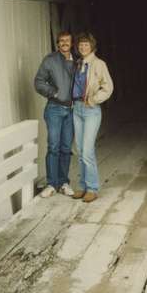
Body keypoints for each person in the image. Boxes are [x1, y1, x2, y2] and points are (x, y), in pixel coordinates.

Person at [71, 32, 114, 203]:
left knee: (87, 151)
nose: (83, 47)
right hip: (77, 109)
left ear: (92, 47)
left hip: (91, 110)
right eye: (81, 45)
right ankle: (82, 186)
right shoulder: (77, 63)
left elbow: (108, 87)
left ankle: (92, 188)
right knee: (79, 150)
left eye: (86, 45)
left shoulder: (98, 64)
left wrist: (94, 99)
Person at [34, 31, 76, 198]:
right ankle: (52, 183)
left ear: (72, 43)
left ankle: (64, 182)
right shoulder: (50, 60)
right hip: (55, 109)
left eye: (67, 40)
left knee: (66, 148)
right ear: (58, 44)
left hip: (72, 110)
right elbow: (38, 81)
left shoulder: (78, 61)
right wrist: (53, 92)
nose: (64, 43)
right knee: (53, 146)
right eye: (61, 41)